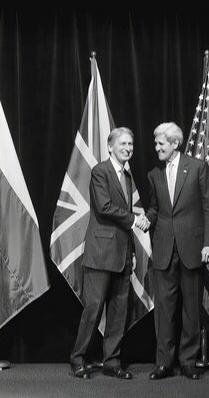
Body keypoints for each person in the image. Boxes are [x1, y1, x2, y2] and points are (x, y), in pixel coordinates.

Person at [69, 127, 149, 380]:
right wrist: (135, 220)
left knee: (118, 311)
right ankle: (77, 359)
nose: (128, 148)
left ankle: (112, 362)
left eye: (131, 144)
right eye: (123, 144)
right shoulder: (100, 172)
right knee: (93, 309)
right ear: (110, 147)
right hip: (101, 252)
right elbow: (104, 207)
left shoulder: (127, 176)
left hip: (123, 254)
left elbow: (124, 219)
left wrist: (132, 251)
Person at [146, 122, 209, 380]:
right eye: (156, 144)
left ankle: (188, 362)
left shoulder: (197, 168)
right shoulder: (154, 174)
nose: (156, 148)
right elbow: (156, 208)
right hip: (164, 249)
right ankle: (164, 363)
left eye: (160, 143)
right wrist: (145, 220)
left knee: (191, 309)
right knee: (164, 310)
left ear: (175, 143)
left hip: (193, 248)